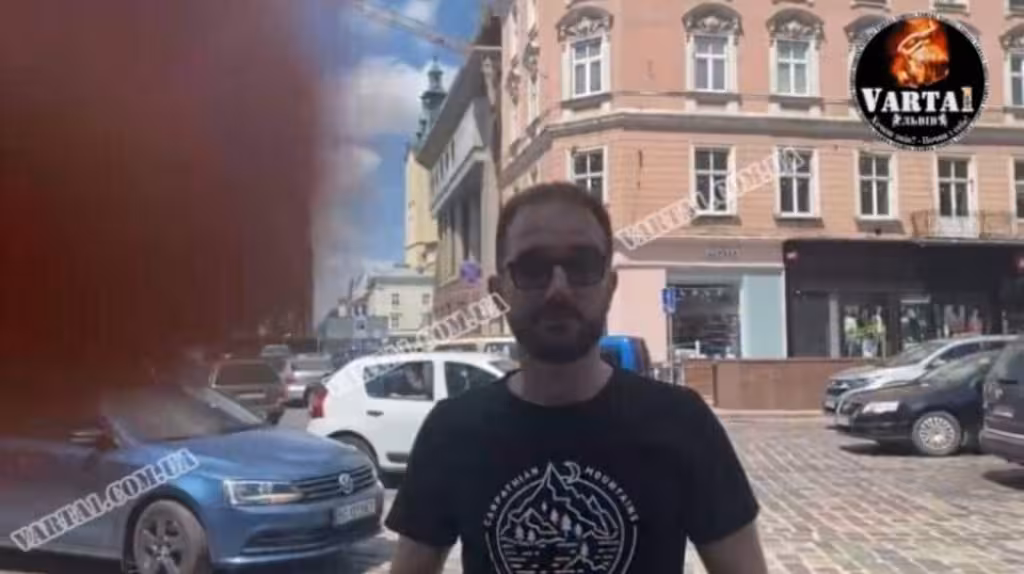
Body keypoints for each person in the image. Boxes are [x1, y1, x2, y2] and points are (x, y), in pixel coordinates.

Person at [386, 182, 767, 574]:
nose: (558, 290)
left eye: (582, 265)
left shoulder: (683, 422)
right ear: (500, 293)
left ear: (610, 286)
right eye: (533, 268)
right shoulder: (451, 431)